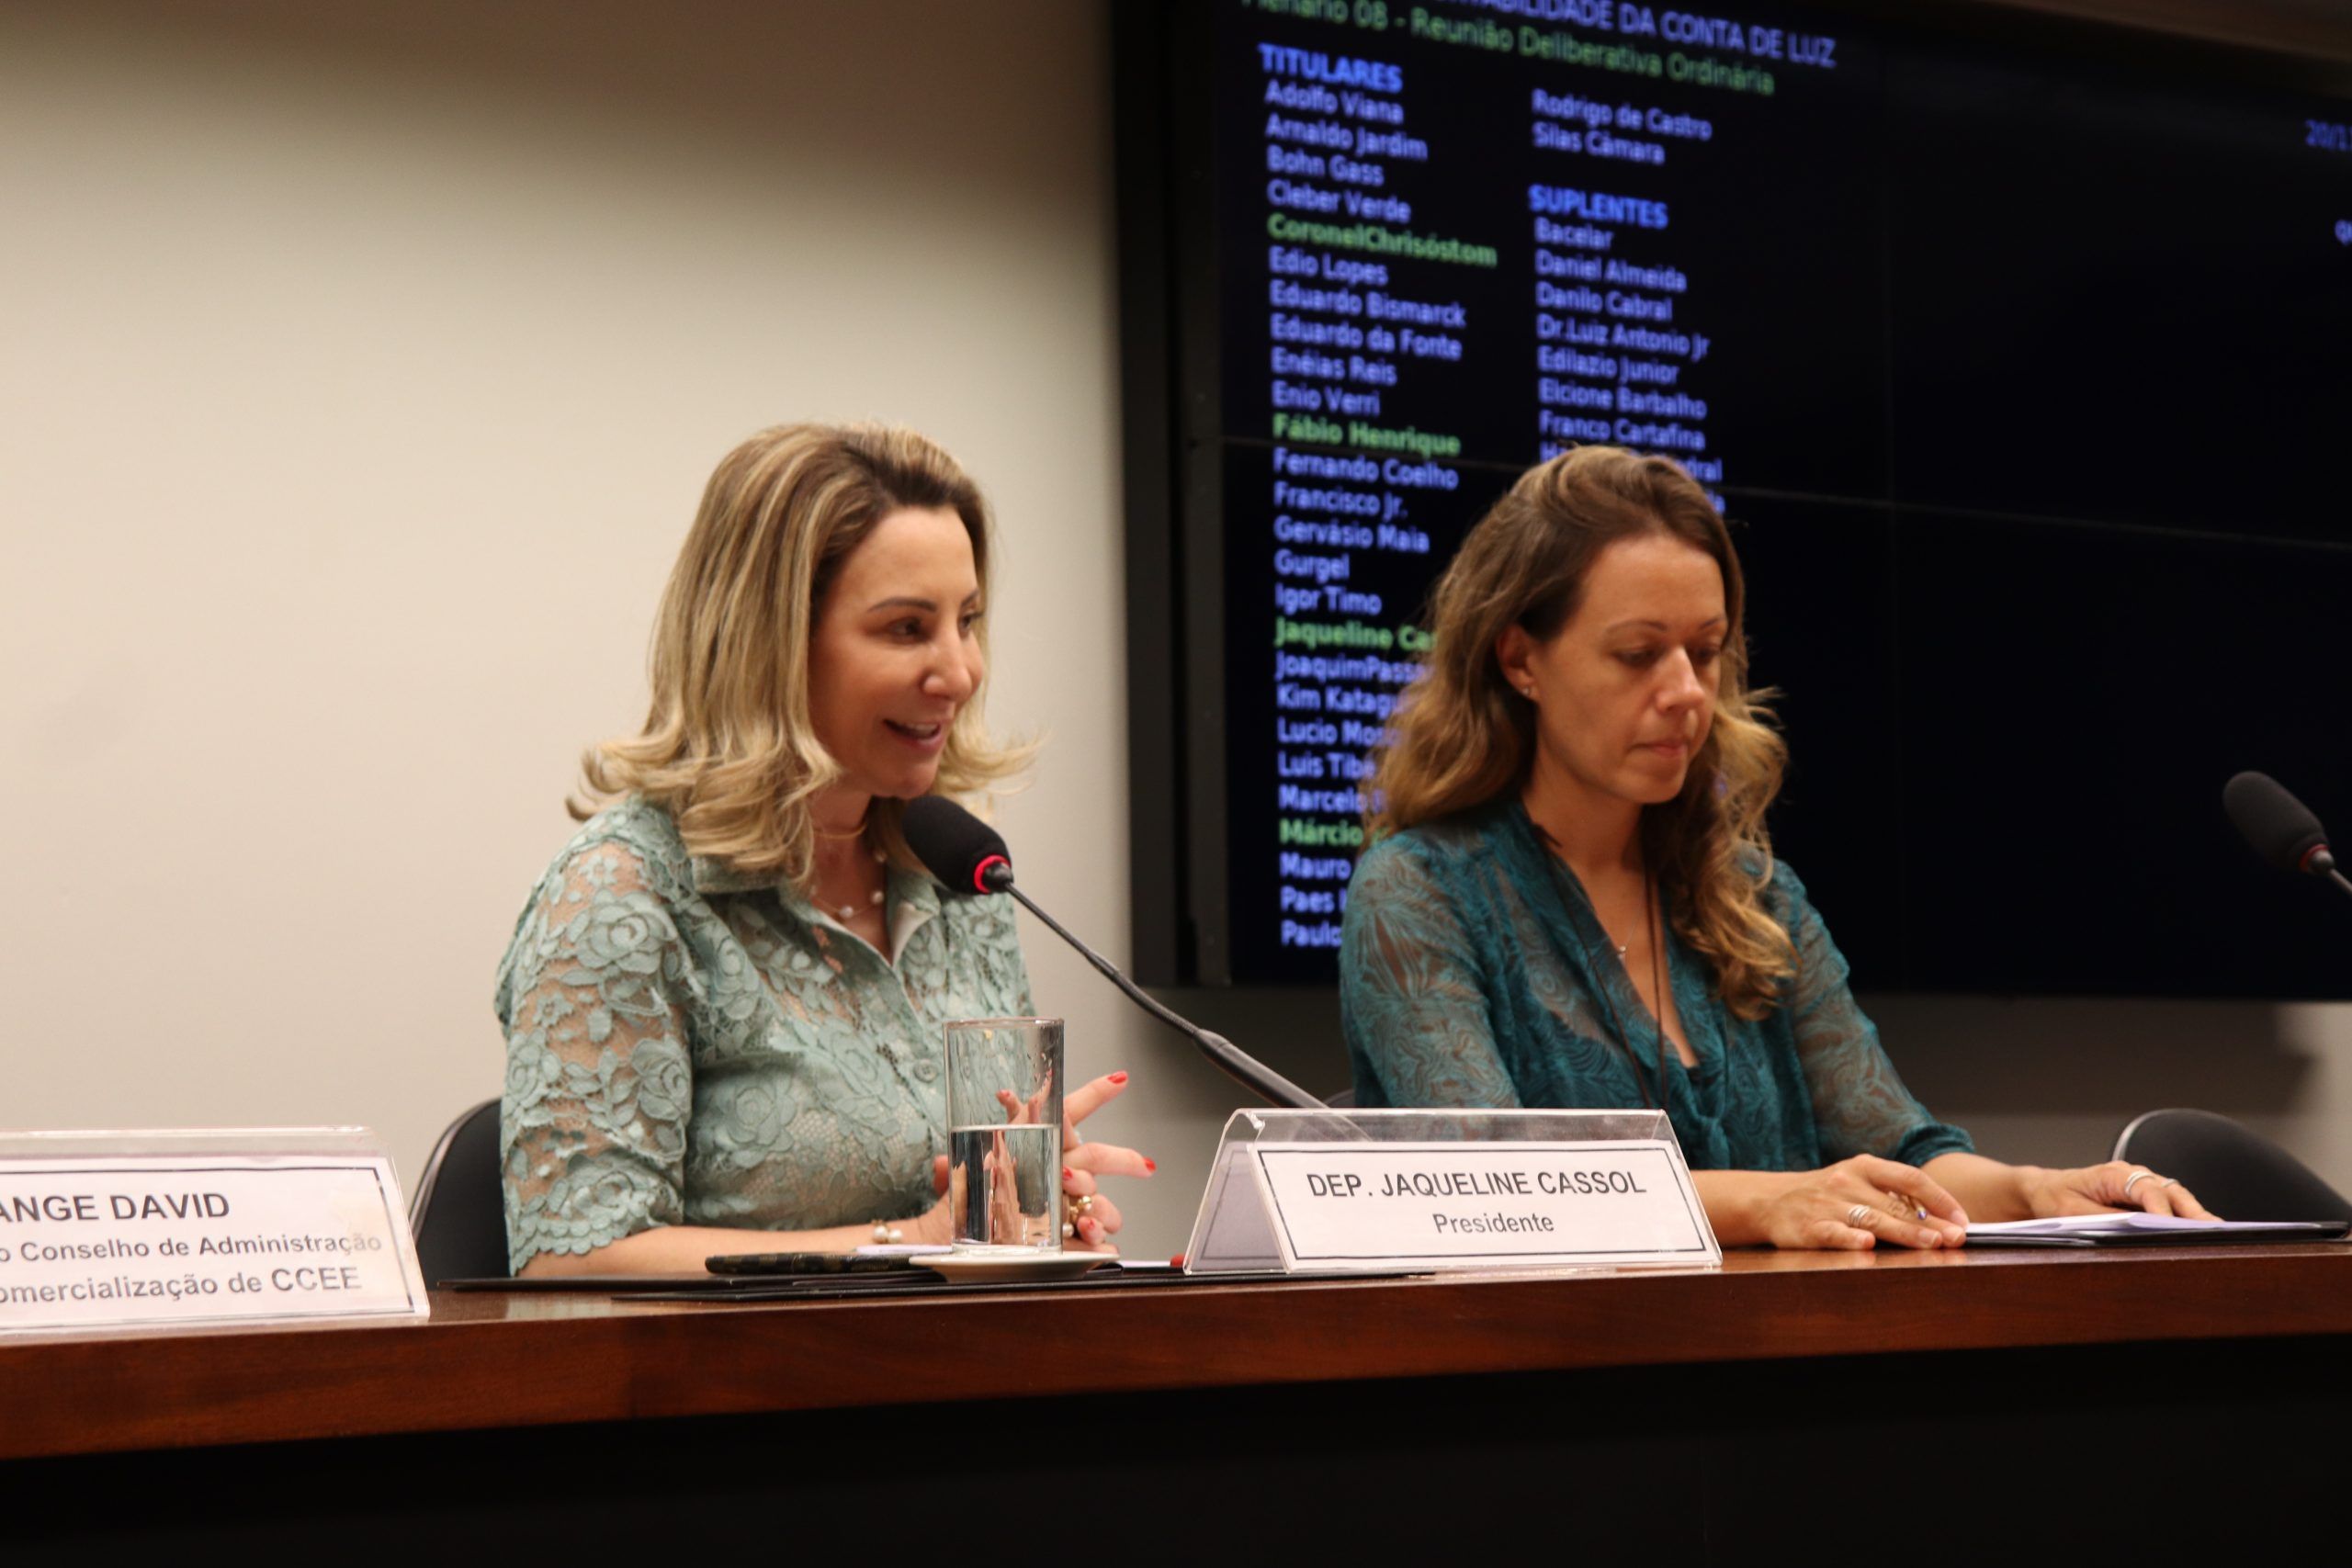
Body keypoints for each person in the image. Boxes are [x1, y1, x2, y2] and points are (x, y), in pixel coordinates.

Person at [1340, 446, 2211, 1249]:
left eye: (1706, 650)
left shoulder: (1753, 892)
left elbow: (1902, 1153)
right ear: (1519, 659)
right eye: (1640, 653)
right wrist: (1766, 1201)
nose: (1686, 691)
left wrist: (2034, 1189)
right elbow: (1493, 1189)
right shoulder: (1418, 893)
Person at [496, 423, 1149, 1275]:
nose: (961, 671)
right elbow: (569, 1258)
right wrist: (917, 1244)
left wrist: (1034, 1207)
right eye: (908, 628)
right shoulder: (624, 895)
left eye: (968, 621)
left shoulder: (961, 882)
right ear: (771, 645)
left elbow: (977, 1229)